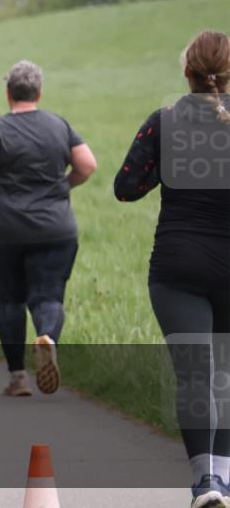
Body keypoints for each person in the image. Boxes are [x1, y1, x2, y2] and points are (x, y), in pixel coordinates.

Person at [114, 31, 230, 508]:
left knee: (195, 376)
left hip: (178, 266)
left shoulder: (163, 121)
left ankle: (204, 483)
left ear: (186, 73)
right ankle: (223, 482)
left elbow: (126, 187)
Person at [0, 60, 97, 397]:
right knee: (48, 295)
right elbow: (87, 165)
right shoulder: (58, 125)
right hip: (55, 228)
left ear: (8, 93)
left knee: (9, 300)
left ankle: (18, 378)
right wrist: (63, 187)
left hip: (3, 229)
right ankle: (47, 337)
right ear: (39, 92)